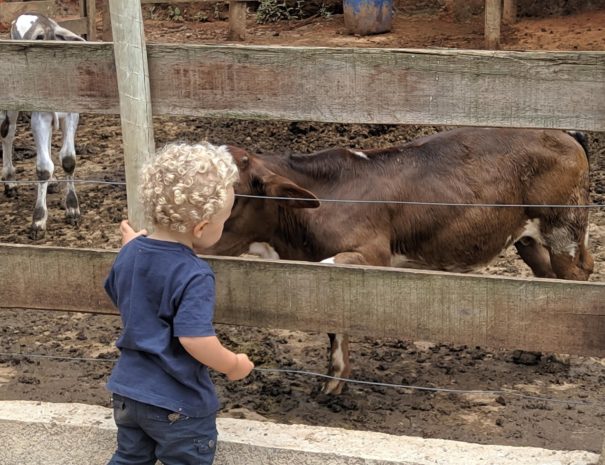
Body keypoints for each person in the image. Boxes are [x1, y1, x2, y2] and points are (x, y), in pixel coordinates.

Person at [104, 142, 254, 465]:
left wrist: (132, 249)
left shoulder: (131, 253)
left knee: (129, 459)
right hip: (178, 405)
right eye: (222, 222)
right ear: (200, 228)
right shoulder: (195, 274)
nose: (222, 227)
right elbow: (194, 338)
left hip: (128, 395)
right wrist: (232, 364)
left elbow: (123, 292)